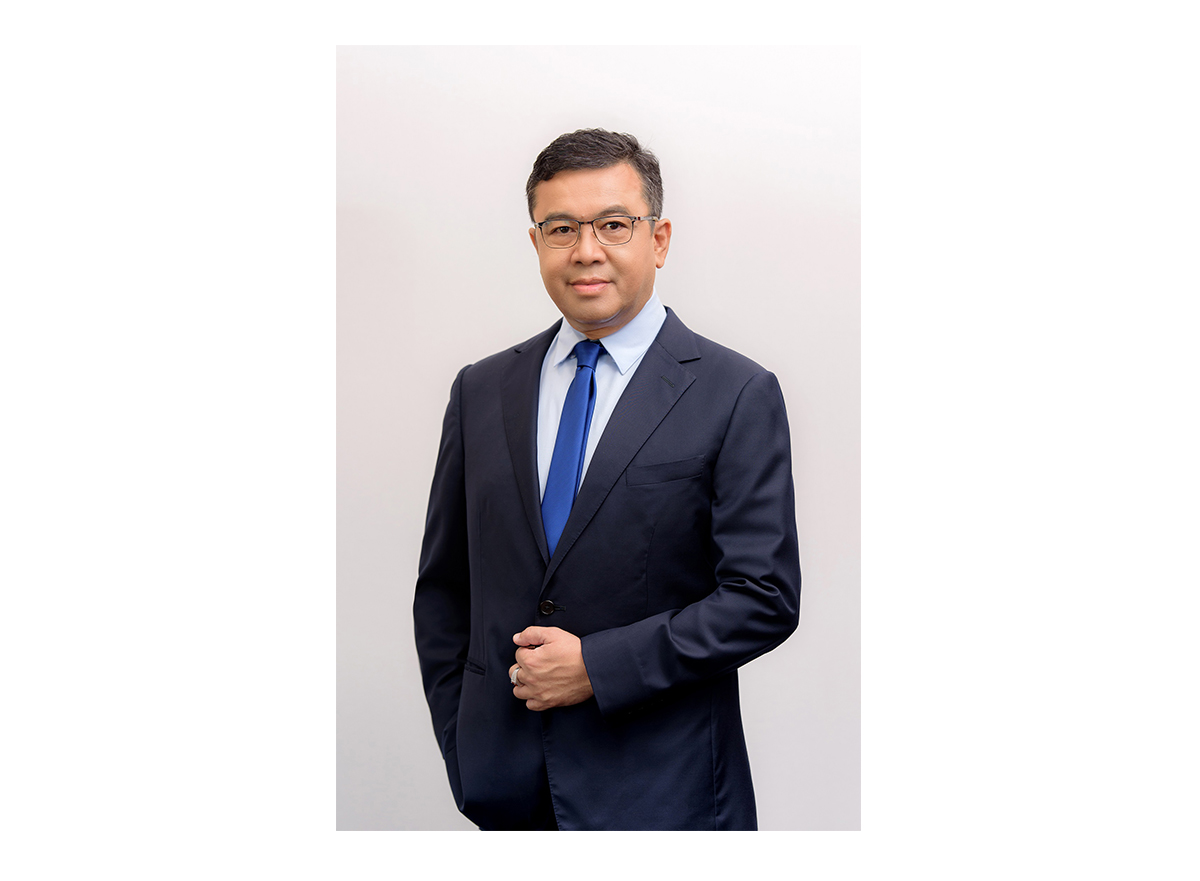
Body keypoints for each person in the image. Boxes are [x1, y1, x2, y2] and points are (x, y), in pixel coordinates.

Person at [413, 128, 801, 831]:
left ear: (659, 239)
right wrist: (464, 746)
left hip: (668, 797)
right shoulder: (481, 389)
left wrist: (599, 666)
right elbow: (445, 591)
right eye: (561, 228)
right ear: (536, 242)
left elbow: (763, 598)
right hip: (508, 794)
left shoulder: (735, 392)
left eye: (613, 225)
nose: (586, 250)